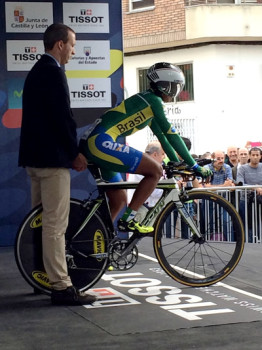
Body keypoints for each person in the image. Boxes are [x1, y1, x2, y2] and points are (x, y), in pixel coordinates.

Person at [81, 62, 212, 235]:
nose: (177, 91)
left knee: (119, 200)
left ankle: (97, 245)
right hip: (100, 143)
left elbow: (163, 138)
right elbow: (171, 134)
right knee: (155, 171)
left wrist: (175, 162)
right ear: (167, 86)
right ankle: (129, 219)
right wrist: (194, 166)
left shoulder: (147, 100)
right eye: (176, 86)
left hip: (97, 143)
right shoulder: (153, 101)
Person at [18, 23, 96, 306]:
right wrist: (74, 153)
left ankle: (42, 277)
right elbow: (62, 118)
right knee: (54, 225)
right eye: (72, 45)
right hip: (52, 162)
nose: (74, 52)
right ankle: (62, 287)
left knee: (39, 223)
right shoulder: (53, 71)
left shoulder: (37, 71)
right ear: (60, 44)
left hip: (35, 160)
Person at [237, 147, 262, 242]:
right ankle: (248, 244)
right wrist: (254, 187)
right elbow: (240, 183)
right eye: (253, 155)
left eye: (257, 155)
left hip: (260, 200)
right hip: (246, 201)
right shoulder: (242, 168)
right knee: (247, 224)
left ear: (260, 156)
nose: (255, 157)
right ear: (249, 156)